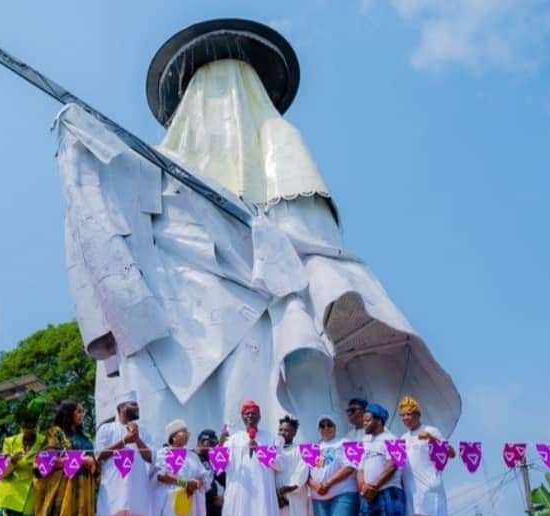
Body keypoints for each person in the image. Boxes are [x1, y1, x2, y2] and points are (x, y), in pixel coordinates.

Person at [56, 19, 461, 450]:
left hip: (261, 315)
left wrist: (266, 244)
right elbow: (114, 214)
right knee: (177, 431)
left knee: (260, 416)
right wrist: (81, 136)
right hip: (179, 317)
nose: (221, 108)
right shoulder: (158, 169)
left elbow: (311, 239)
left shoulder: (276, 144)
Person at [217, 400, 287, 516]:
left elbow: (280, 464)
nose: (250, 416)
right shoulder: (233, 439)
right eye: (247, 413)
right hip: (240, 494)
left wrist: (260, 451)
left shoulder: (270, 438)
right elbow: (219, 466)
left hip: (262, 495)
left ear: (259, 416)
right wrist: (220, 444)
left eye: (253, 413)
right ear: (242, 417)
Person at [32, 400, 98, 516]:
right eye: (78, 411)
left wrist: (95, 465)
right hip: (64, 490)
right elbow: (44, 462)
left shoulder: (85, 437)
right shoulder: (56, 433)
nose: (82, 414)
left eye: (83, 411)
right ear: (68, 413)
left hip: (85, 492)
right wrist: (82, 460)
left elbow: (95, 464)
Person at [94, 390, 153, 516]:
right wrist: (125, 441)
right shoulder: (106, 429)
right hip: (113, 492)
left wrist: (137, 439)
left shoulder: (144, 430)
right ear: (121, 407)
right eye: (132, 405)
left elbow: (150, 457)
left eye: (137, 404)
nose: (137, 408)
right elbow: (99, 455)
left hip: (138, 492)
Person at [399, 396, 456, 516]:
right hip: (411, 494)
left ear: (418, 414)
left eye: (409, 414)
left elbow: (451, 453)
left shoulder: (431, 431)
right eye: (403, 415)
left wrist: (433, 439)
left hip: (431, 491)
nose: (406, 418)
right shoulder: (402, 439)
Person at [150, 419, 214, 516]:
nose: (187, 434)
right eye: (183, 431)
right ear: (173, 437)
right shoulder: (163, 453)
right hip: (168, 509)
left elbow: (204, 477)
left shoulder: (192, 456)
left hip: (189, 508)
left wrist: (197, 483)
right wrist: (185, 483)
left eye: (187, 432)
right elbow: (162, 475)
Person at [357, 402, 414, 516]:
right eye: (364, 420)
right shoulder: (364, 442)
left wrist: (374, 485)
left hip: (389, 492)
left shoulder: (394, 439)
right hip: (367, 496)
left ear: (379, 421)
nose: (364, 423)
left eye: (368, 420)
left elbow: (394, 464)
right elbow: (359, 468)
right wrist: (363, 487)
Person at [307, 414, 359, 516]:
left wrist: (328, 483)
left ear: (335, 427)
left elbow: (351, 466)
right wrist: (315, 485)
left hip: (343, 494)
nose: (326, 428)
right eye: (322, 425)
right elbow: (305, 474)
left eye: (329, 424)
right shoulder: (312, 447)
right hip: (319, 497)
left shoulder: (347, 443)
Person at [276, 415, 315, 516]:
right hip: (278, 504)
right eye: (280, 430)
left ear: (294, 432)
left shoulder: (303, 449)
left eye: (287, 430)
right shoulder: (273, 451)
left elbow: (302, 473)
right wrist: (276, 494)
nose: (283, 433)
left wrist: (287, 489)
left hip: (296, 504)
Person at [196, 429, 226, 516]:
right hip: (194, 506)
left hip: (212, 505)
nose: (212, 447)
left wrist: (224, 497)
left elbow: (227, 480)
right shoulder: (190, 456)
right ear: (201, 441)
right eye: (210, 443)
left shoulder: (213, 460)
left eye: (215, 444)